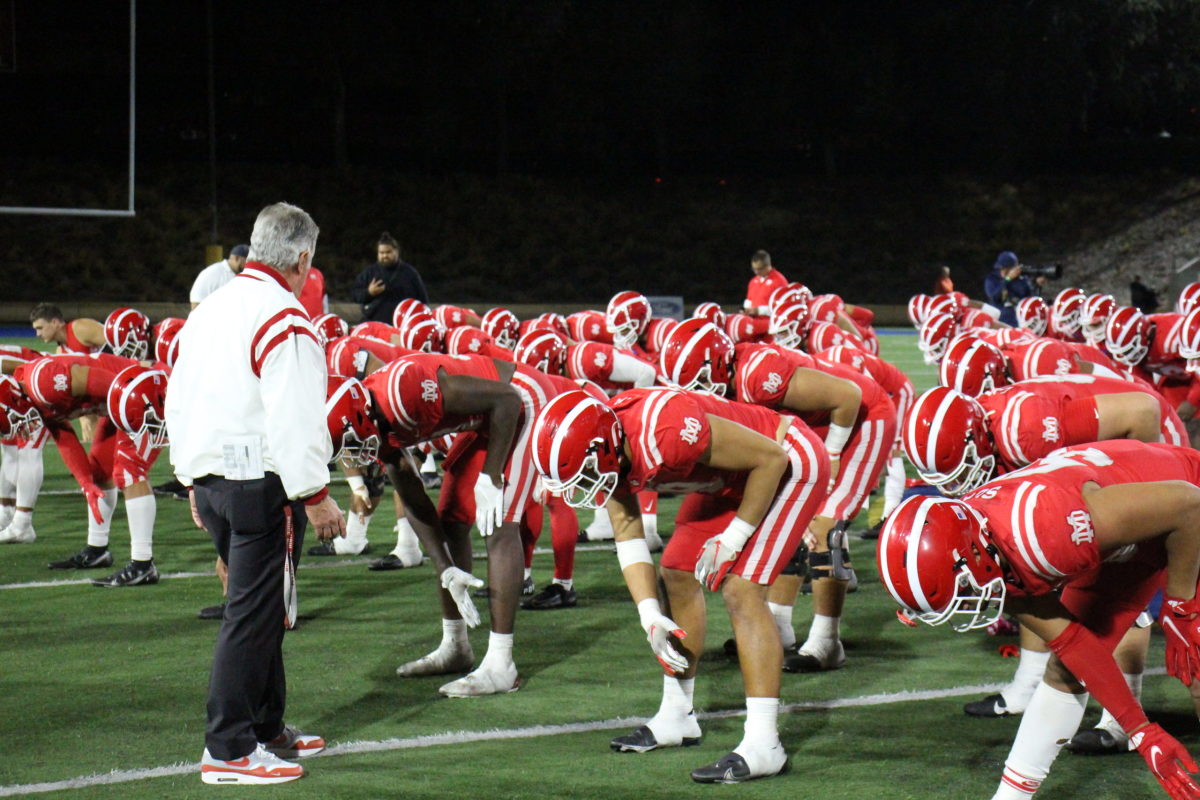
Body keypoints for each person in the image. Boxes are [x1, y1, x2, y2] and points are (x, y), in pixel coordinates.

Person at [532, 387, 829, 784]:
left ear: (604, 449)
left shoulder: (665, 431)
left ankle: (764, 743)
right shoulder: (609, 440)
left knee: (741, 590)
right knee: (676, 570)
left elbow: (771, 458)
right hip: (734, 475)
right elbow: (626, 528)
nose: (581, 488)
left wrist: (735, 537)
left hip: (788, 460)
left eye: (582, 473)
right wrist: (649, 614)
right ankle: (677, 714)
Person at [878, 440, 1200, 800]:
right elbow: (1075, 645)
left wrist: (1181, 608)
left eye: (961, 592)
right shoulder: (980, 544)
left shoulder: (1045, 531)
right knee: (1066, 671)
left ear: (973, 557)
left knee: (1197, 659)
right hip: (1127, 534)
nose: (965, 604)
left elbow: (1188, 506)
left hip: (1186, 505)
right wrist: (1141, 730)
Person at [166, 202, 344, 785]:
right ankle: (228, 748)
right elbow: (294, 417)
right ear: (302, 257)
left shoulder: (210, 308)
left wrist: (190, 476)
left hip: (212, 479)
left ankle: (267, 727)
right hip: (257, 482)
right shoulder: (284, 317)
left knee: (260, 612)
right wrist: (316, 492)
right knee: (252, 615)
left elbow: (179, 395)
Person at [352, 232, 428, 324]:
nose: (384, 256)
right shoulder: (370, 272)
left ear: (397, 251)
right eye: (381, 253)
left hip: (402, 325)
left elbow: (423, 301)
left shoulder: (410, 273)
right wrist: (369, 292)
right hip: (374, 324)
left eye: (388, 252)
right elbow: (355, 295)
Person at [984, 251, 1041, 326]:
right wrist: (1007, 279)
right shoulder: (992, 279)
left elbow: (1031, 300)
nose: (1003, 271)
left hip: (1018, 321)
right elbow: (995, 297)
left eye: (1007, 269)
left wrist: (1037, 285)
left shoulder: (1022, 280)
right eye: (1002, 268)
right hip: (1000, 322)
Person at [190, 244, 249, 309]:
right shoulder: (214, 272)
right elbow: (196, 299)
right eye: (247, 261)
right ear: (237, 258)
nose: (248, 265)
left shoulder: (239, 275)